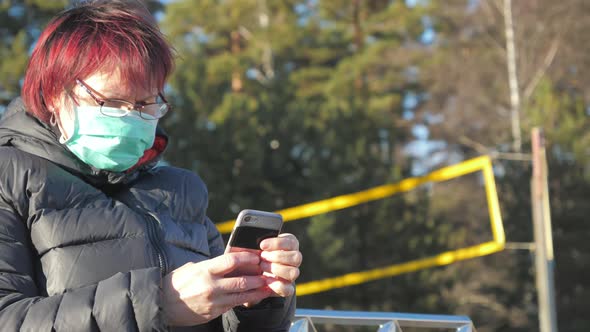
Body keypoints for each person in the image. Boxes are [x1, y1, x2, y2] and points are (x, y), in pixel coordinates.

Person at [0, 1, 302, 331]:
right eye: (112, 103)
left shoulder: (182, 190)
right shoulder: (10, 177)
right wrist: (157, 302)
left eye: (145, 103)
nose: (131, 116)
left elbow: (223, 324)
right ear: (56, 92)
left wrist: (253, 300)